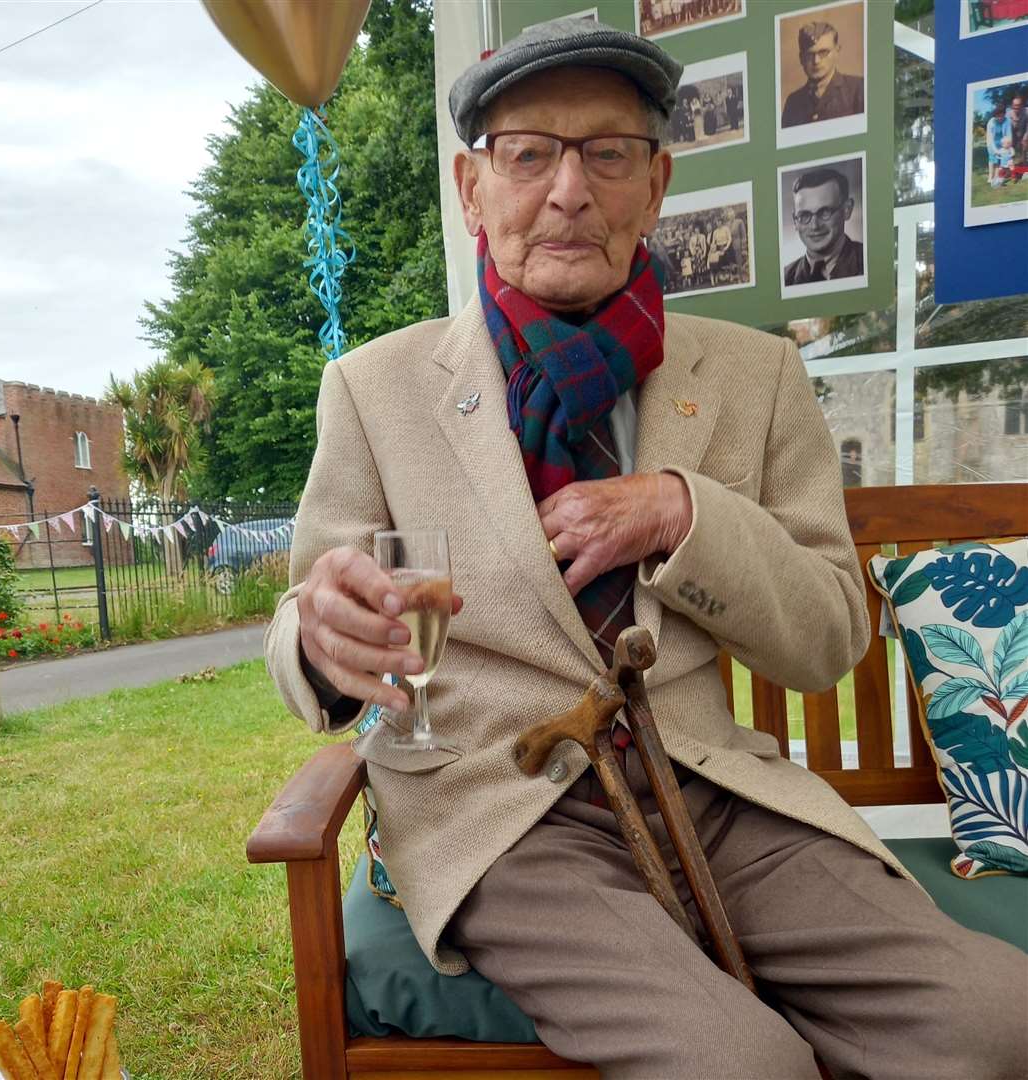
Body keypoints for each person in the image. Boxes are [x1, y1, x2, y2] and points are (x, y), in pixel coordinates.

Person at [265, 16, 1027, 1078]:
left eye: (606, 153)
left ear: (655, 182)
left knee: (999, 1023)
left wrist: (686, 514)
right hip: (506, 820)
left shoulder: (754, 375)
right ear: (470, 185)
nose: (569, 190)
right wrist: (319, 635)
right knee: (737, 1066)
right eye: (528, 153)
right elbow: (309, 608)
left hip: (713, 795)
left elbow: (824, 640)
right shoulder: (376, 387)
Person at [782, 166, 864, 286]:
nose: (815, 226)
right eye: (804, 216)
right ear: (795, 222)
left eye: (825, 212)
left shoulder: (869, 262)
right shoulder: (785, 278)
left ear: (847, 210)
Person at [781, 20, 865, 129]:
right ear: (801, 58)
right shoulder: (793, 102)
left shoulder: (858, 88)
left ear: (837, 51)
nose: (816, 61)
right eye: (810, 54)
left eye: (823, 52)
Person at [986, 101, 1014, 183]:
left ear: (1004, 114)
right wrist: (995, 151)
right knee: (992, 159)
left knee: (1000, 160)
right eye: (998, 116)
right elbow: (990, 139)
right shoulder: (991, 123)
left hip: (1004, 143)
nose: (1000, 118)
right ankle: (990, 176)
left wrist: (1008, 146)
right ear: (995, 115)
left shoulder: (1007, 121)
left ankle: (997, 177)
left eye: (1002, 115)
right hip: (992, 143)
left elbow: (1009, 135)